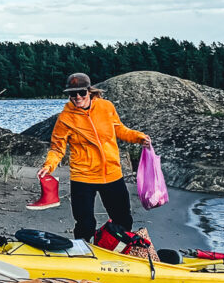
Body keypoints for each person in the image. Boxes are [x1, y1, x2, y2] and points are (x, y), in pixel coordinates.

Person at [37, 73, 150, 244]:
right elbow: (57, 148)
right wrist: (49, 166)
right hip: (83, 176)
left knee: (123, 220)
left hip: (112, 174)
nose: (77, 97)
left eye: (81, 92)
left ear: (89, 91)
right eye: (72, 94)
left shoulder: (106, 107)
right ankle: (82, 254)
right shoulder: (65, 118)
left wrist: (139, 137)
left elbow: (120, 130)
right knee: (85, 223)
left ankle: (118, 252)